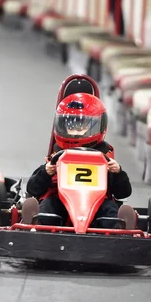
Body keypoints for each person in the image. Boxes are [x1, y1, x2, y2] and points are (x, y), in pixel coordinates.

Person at [25, 92, 134, 227]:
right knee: (47, 209)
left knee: (110, 213)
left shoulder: (106, 158)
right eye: (70, 127)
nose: (75, 132)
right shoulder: (56, 155)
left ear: (98, 126)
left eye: (81, 127)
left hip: (97, 202)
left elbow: (123, 193)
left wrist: (118, 173)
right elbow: (32, 189)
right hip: (61, 200)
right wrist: (46, 172)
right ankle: (35, 223)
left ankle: (121, 228)